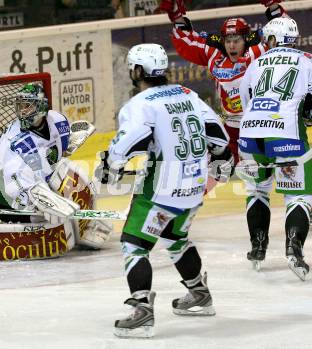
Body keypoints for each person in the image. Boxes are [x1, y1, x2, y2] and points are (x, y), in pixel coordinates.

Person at [95, 43, 231, 338]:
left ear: (138, 70)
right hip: (195, 185)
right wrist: (222, 159)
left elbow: (127, 143)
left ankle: (142, 310)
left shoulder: (141, 103)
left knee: (134, 244)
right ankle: (199, 294)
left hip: (161, 189)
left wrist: (110, 164)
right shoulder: (187, 94)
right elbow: (219, 137)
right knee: (175, 237)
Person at [162, 0, 288, 268]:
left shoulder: (259, 51)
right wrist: (176, 14)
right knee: (216, 171)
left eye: (237, 39)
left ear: (246, 38)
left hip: (263, 124)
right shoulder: (213, 54)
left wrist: (274, 6)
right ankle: (179, 213)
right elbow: (186, 41)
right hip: (231, 127)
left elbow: (281, 30)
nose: (232, 45)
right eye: (228, 39)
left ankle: (301, 207)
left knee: (286, 172)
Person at [0, 83, 112, 264]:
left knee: (70, 170)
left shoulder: (58, 121)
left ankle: (85, 226)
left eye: (27, 105)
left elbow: (55, 155)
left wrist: (68, 145)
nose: (22, 111)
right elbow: (15, 183)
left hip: (33, 183)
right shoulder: (18, 144)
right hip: (4, 195)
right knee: (58, 233)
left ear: (41, 106)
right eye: (20, 106)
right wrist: (46, 202)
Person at [238, 17, 312, 279]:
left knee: (257, 189)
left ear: (271, 40)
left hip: (249, 134)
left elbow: (245, 100)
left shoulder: (256, 63)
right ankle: (294, 248)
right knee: (300, 196)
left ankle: (258, 245)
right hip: (287, 135)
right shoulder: (307, 60)